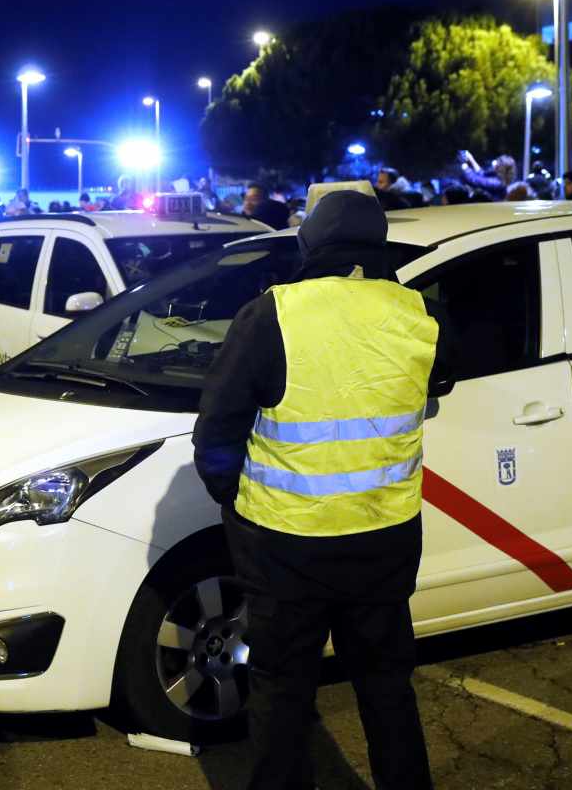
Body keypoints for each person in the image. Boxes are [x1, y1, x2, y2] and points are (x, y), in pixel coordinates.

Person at [193, 190, 452, 790]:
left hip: (286, 544)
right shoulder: (418, 311)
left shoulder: (272, 314)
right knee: (387, 688)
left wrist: (231, 497)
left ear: (310, 242)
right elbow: (442, 374)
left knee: (282, 692)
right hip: (384, 538)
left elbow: (217, 431)